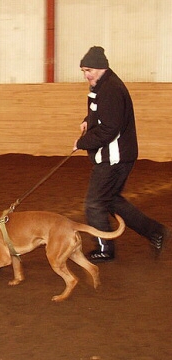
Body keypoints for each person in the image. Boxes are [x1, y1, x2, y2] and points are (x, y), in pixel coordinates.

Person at [73, 46, 170, 262]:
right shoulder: (103, 85)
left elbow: (110, 128)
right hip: (117, 156)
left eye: (89, 70)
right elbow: (103, 115)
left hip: (114, 158)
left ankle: (104, 249)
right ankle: (156, 232)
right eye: (83, 71)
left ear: (100, 68)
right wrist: (87, 121)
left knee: (94, 203)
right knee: (110, 200)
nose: (86, 75)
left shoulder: (111, 90)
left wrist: (82, 142)